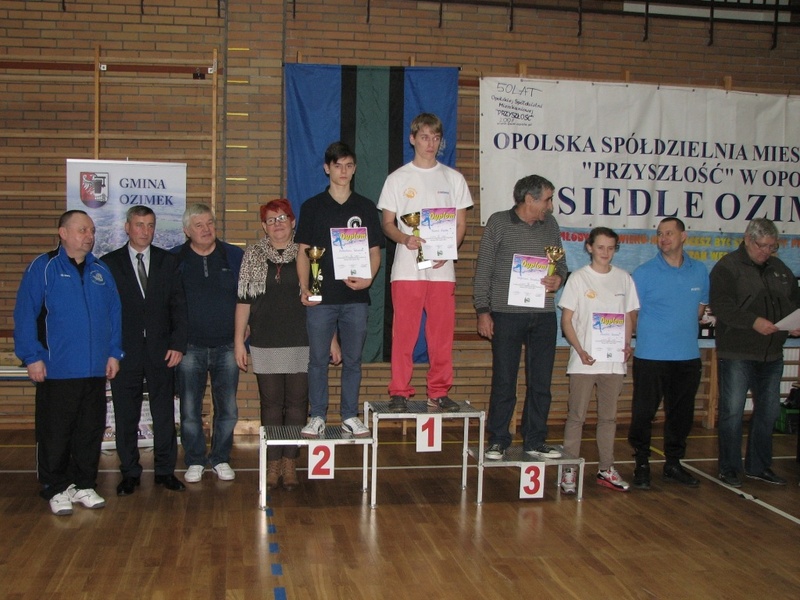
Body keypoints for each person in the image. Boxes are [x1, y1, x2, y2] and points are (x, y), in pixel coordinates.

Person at [14, 210, 123, 515]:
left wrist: (114, 352)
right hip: (57, 369)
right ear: (63, 233)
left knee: (89, 430)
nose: (89, 236)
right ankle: (55, 487)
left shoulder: (101, 270)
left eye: (92, 230)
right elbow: (25, 314)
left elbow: (114, 314)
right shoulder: (43, 267)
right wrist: (32, 357)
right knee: (56, 432)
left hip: (94, 369)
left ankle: (84, 484)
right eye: (82, 230)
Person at [235, 199, 341, 489]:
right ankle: (272, 463)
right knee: (271, 405)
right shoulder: (253, 254)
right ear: (264, 226)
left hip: (303, 339)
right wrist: (238, 341)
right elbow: (243, 301)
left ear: (293, 222)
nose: (277, 224)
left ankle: (290, 463)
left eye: (282, 218)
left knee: (297, 405)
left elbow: (320, 302)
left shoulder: (308, 253)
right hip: (265, 340)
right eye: (271, 220)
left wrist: (331, 339)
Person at [378, 113, 473, 413]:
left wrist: (448, 250)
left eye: (435, 138)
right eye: (424, 137)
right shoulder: (397, 179)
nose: (430, 143)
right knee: (404, 334)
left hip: (442, 271)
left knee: (441, 335)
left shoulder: (454, 179)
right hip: (406, 270)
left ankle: (439, 391)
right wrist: (404, 238)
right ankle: (399, 392)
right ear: (413, 139)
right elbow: (387, 223)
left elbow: (461, 224)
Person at [473, 175, 567, 460]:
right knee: (504, 379)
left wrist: (558, 278)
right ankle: (498, 440)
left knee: (541, 382)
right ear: (530, 199)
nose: (550, 206)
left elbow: (561, 264)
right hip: (506, 314)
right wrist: (483, 310)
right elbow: (484, 268)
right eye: (547, 200)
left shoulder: (551, 225)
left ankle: (535, 439)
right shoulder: (499, 222)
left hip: (543, 314)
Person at [295, 142, 383, 439]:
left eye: (348, 166)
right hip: (321, 296)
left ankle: (349, 415)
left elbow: (374, 252)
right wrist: (304, 286)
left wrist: (368, 279)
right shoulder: (312, 207)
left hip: (355, 298)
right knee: (318, 360)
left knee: (353, 361)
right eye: (337, 166)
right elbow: (303, 251)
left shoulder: (366, 207)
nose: (343, 171)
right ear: (327, 168)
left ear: (354, 169)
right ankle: (317, 415)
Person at [102, 206, 188, 495]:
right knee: (126, 414)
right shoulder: (110, 264)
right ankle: (129, 472)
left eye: (150, 225)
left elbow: (179, 306)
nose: (145, 231)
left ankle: (165, 471)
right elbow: (105, 313)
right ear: (127, 227)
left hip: (161, 351)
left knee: (164, 414)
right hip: (125, 353)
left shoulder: (168, 261)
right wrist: (110, 351)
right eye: (139, 225)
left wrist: (178, 344)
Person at [710, 218, 800, 488]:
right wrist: (753, 322)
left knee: (769, 412)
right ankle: (729, 468)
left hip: (772, 353)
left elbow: (794, 302)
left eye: (772, 247)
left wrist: (794, 323)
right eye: (762, 245)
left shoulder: (780, 269)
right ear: (748, 239)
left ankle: (759, 466)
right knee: (732, 412)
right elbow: (722, 306)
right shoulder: (727, 267)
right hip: (737, 352)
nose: (766, 251)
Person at [628, 217, 709, 489]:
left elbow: (699, 310)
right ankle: (641, 463)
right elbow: (632, 313)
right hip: (651, 357)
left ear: (683, 236)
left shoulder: (700, 271)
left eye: (669, 233)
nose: (663, 238)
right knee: (643, 413)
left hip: (687, 357)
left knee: (681, 415)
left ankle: (673, 464)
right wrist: (652, 335)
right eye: (660, 234)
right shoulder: (643, 273)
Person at [558, 227, 639, 494]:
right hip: (584, 361)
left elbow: (629, 317)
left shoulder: (624, 278)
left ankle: (606, 469)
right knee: (576, 417)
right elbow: (567, 320)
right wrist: (580, 350)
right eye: (601, 247)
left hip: (613, 363)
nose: (605, 252)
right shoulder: (578, 278)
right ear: (589, 247)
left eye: (611, 248)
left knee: (608, 418)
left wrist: (626, 345)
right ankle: (569, 469)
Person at [173, 203, 244, 483]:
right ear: (187, 231)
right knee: (190, 410)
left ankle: (220, 458)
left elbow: (247, 297)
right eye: (199, 225)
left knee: (228, 409)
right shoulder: (174, 259)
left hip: (227, 346)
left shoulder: (234, 256)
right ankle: (194, 460)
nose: (206, 229)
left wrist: (245, 330)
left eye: (210, 223)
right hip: (189, 348)